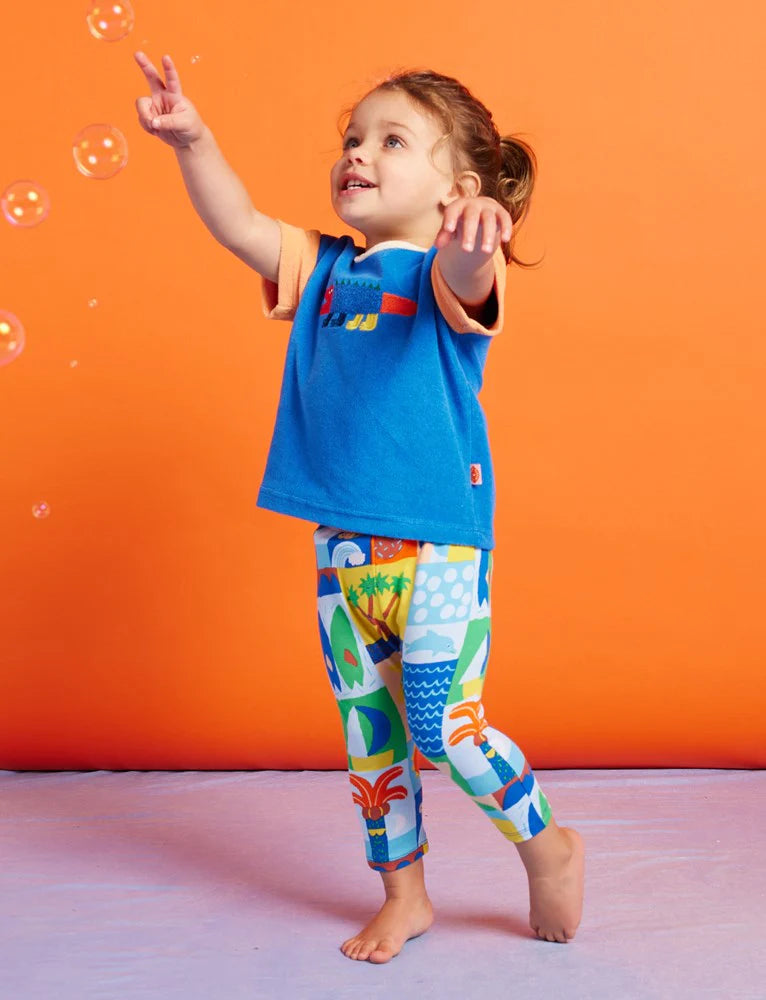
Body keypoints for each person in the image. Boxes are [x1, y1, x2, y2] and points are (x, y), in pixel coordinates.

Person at [134, 51, 585, 963]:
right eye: (353, 138)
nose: (358, 153)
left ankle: (547, 845)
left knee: (445, 730)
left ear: (456, 189)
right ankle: (405, 897)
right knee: (371, 740)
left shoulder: (446, 273)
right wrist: (194, 142)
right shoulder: (324, 268)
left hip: (439, 553)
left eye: (391, 141)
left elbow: (468, 272)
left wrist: (474, 239)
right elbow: (239, 225)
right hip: (342, 554)